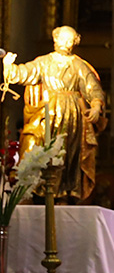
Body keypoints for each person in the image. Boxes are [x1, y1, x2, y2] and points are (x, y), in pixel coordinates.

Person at [3, 26, 107, 203]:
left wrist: (96, 105)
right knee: (39, 149)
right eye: (62, 39)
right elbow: (26, 73)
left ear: (75, 43)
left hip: (72, 117)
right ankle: (35, 192)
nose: (65, 44)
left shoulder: (78, 65)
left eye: (70, 40)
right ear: (55, 39)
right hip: (47, 114)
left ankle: (65, 194)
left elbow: (93, 88)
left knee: (68, 157)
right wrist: (9, 67)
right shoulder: (44, 62)